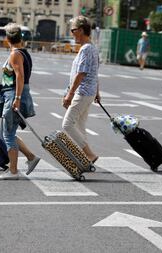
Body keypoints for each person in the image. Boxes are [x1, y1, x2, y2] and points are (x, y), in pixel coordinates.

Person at [0, 23, 40, 180]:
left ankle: (13, 171)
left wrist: (17, 98)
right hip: (15, 93)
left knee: (7, 134)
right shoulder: (24, 52)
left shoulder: (15, 54)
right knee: (5, 132)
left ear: (7, 38)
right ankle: (31, 157)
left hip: (14, 95)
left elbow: (20, 76)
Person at [62, 16, 100, 164]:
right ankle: (85, 157)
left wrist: (70, 94)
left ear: (81, 30)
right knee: (80, 126)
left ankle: (89, 154)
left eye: (73, 30)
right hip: (89, 92)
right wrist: (97, 93)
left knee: (67, 124)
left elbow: (81, 73)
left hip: (83, 92)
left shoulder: (86, 49)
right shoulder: (92, 48)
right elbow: (95, 73)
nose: (71, 33)